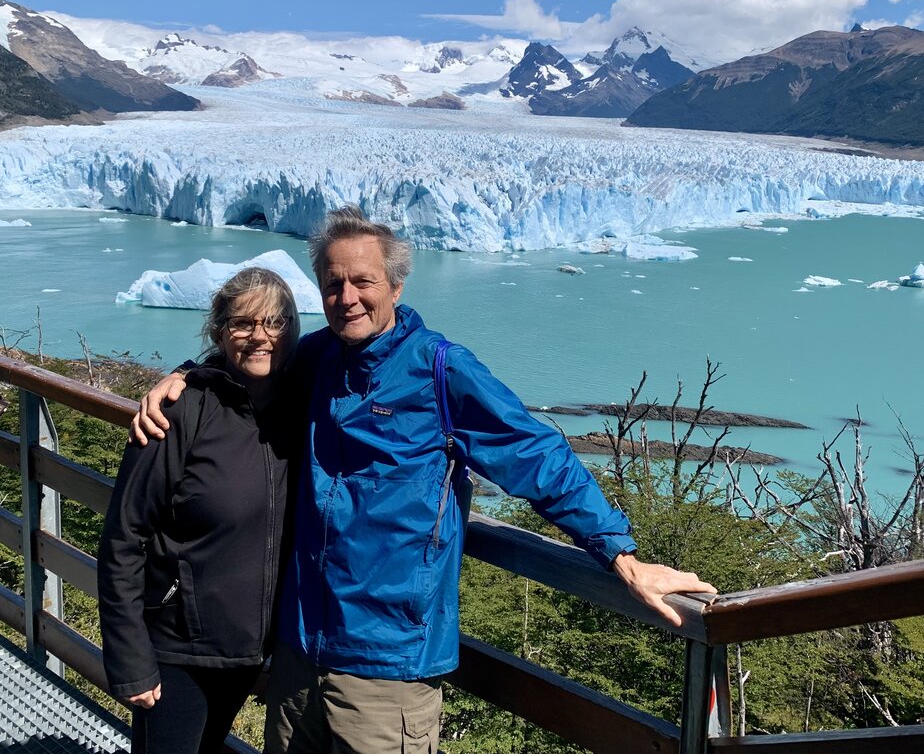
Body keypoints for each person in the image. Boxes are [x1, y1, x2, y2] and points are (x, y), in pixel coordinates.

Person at [133, 206, 716, 754]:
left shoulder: (441, 370)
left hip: (388, 668)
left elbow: (538, 457)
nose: (347, 298)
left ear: (396, 286)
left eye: (363, 281)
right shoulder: (316, 358)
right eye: (333, 284)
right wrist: (187, 376)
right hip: (299, 653)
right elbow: (249, 365)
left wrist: (621, 556)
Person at [99, 266, 301, 754]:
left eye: (274, 322)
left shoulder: (299, 407)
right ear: (219, 331)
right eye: (242, 323)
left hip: (247, 648)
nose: (260, 336)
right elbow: (124, 536)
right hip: (178, 648)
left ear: (293, 329)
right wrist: (130, 658)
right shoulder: (179, 412)